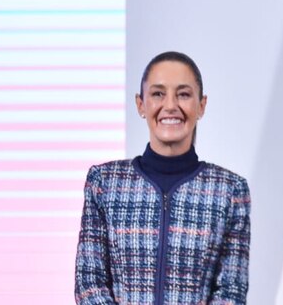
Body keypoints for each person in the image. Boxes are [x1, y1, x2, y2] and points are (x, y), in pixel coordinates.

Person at [75, 51, 250, 304]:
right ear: (140, 104)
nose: (170, 105)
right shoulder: (105, 183)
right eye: (158, 93)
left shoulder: (230, 191)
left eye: (184, 94)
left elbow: (231, 291)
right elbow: (89, 283)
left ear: (201, 105)